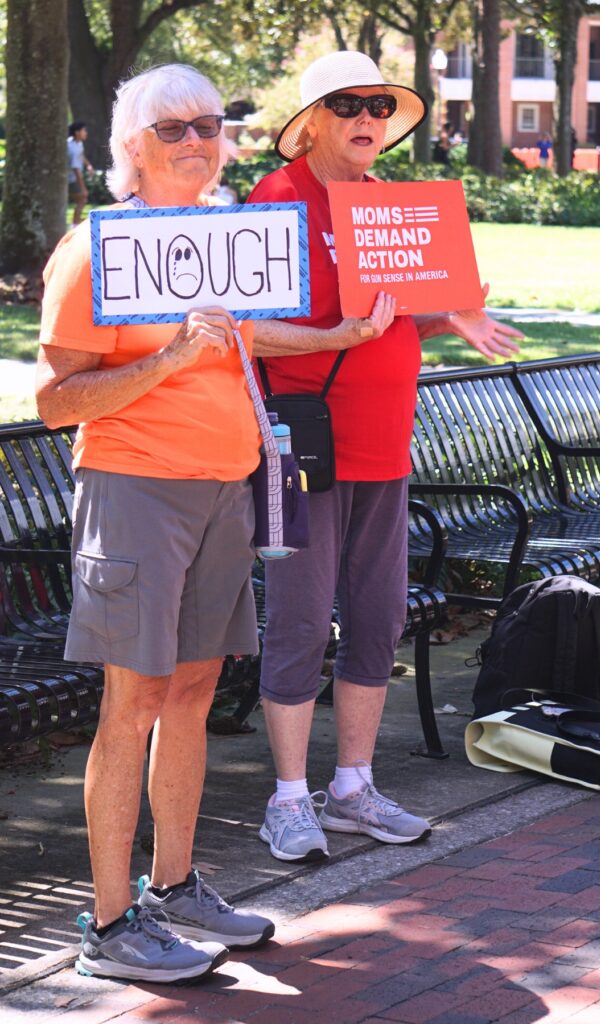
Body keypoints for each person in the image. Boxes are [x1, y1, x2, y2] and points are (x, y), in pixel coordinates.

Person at [36, 64, 292, 985]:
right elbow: (59, 399)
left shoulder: (234, 239)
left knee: (191, 698)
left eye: (208, 125)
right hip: (134, 492)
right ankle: (109, 927)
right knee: (132, 704)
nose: (195, 141)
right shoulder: (94, 250)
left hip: (223, 488)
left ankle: (175, 887)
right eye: (172, 128)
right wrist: (174, 353)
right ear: (131, 147)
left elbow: (252, 345)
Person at [247, 51, 524, 863]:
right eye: (346, 104)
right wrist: (335, 339)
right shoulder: (278, 200)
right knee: (301, 617)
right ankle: (288, 799)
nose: (366, 118)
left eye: (378, 105)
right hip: (300, 448)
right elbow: (240, 327)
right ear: (312, 123)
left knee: (377, 617)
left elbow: (388, 321)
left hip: (383, 449)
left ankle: (352, 789)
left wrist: (452, 321)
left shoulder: (386, 206)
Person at [67, 121, 94, 226]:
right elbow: (76, 169)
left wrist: (88, 165)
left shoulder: (78, 143)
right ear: (77, 132)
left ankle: (76, 221)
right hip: (70, 179)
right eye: (84, 131)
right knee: (82, 198)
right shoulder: (71, 147)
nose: (86, 133)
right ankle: (75, 223)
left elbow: (81, 156)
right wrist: (83, 188)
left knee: (81, 199)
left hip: (73, 178)